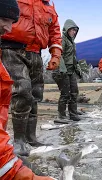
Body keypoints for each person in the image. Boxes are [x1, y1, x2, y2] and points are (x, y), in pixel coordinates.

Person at [0, 0, 62, 156]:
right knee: (22, 90)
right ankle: (19, 140)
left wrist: (56, 54)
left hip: (36, 53)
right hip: (12, 49)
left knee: (35, 93)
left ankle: (30, 137)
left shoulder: (49, 7)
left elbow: (55, 32)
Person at [52, 19, 82, 122]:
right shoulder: (62, 39)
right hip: (62, 71)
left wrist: (78, 69)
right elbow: (58, 55)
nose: (74, 32)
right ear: (67, 29)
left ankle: (73, 114)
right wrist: (62, 70)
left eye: (75, 30)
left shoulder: (72, 42)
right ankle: (61, 116)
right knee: (65, 93)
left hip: (70, 71)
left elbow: (72, 57)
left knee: (74, 92)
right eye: (72, 30)